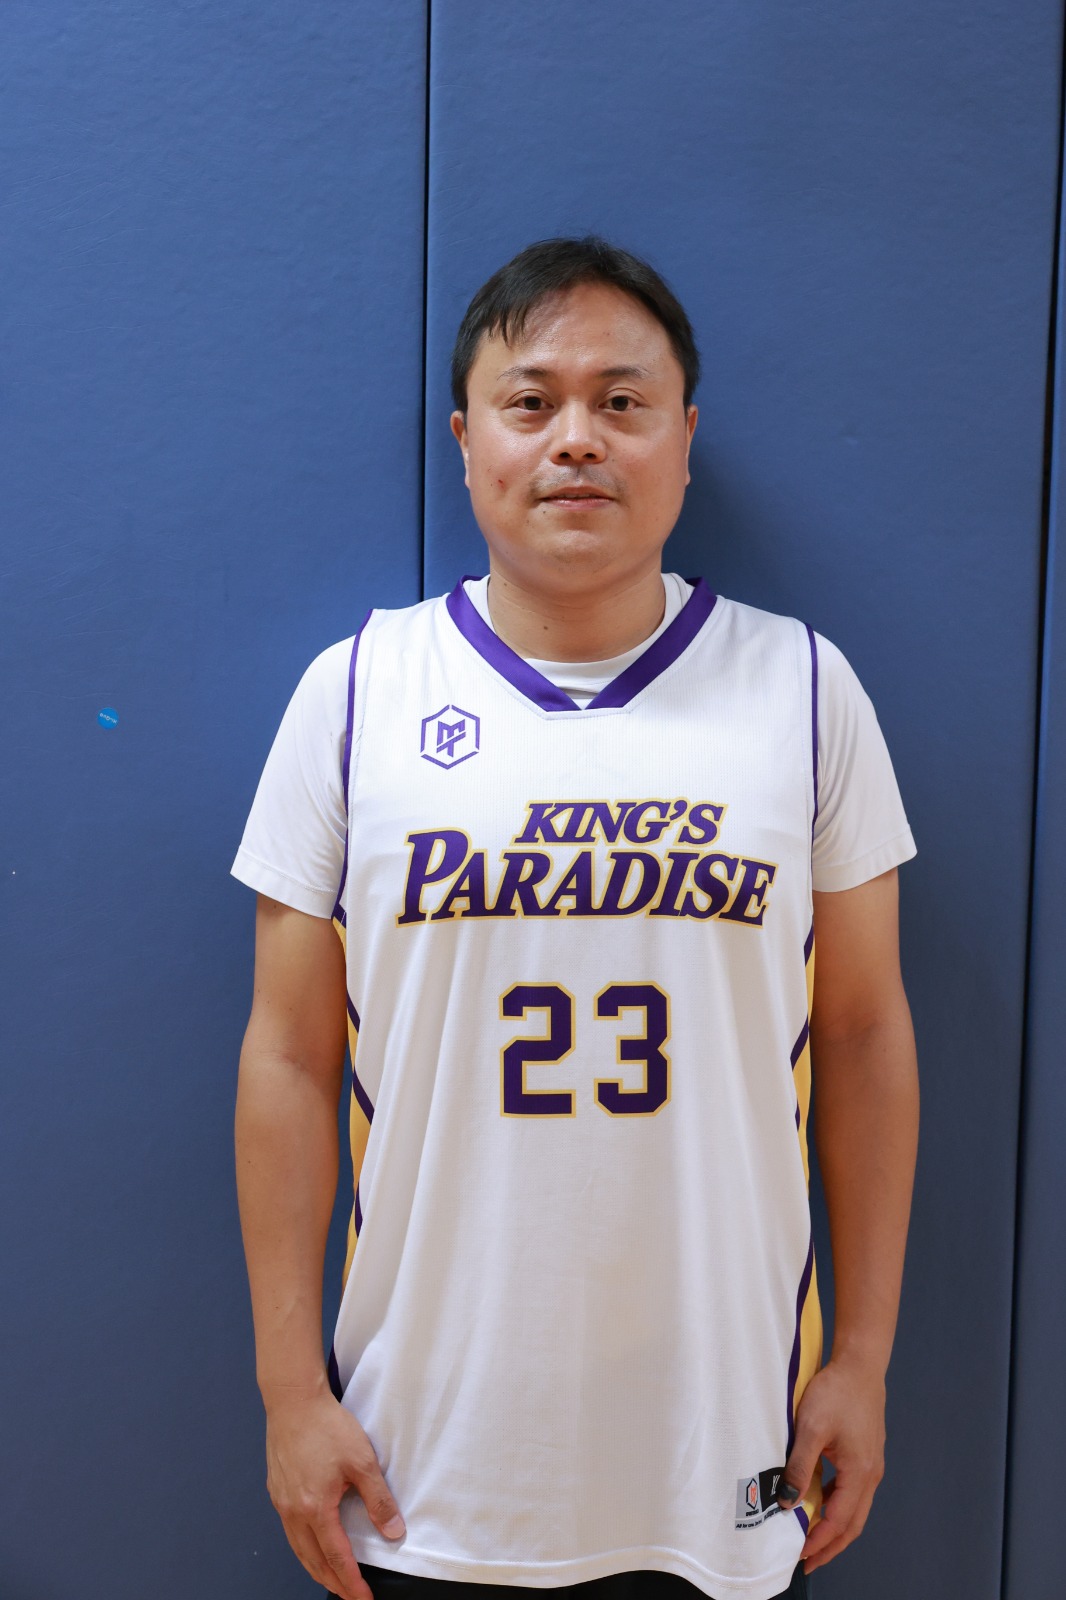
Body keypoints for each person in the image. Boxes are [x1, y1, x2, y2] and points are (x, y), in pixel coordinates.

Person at [232, 236, 919, 1600]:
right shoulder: (355, 693)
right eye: (530, 401)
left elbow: (859, 1035)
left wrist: (862, 1359)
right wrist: (287, 1391)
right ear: (466, 439)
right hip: (419, 1457)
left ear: (683, 438)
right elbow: (290, 1060)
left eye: (622, 401)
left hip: (727, 1439)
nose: (576, 440)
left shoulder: (801, 688)